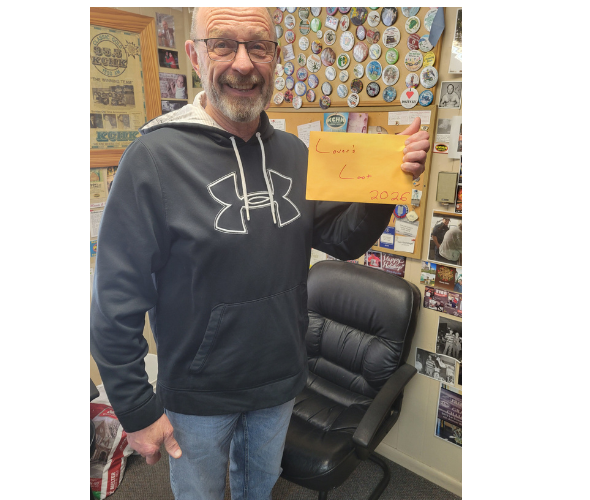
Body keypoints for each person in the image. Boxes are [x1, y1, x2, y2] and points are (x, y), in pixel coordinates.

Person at [90, 7, 429, 500]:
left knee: (260, 490)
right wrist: (137, 409)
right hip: (199, 394)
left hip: (280, 382)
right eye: (223, 44)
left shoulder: (294, 153)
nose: (244, 63)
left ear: (275, 57)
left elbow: (344, 240)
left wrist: (386, 187)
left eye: (259, 46)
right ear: (195, 55)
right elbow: (114, 299)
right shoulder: (154, 159)